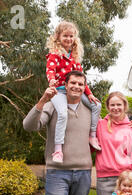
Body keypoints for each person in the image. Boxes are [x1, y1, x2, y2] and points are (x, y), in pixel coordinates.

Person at [45, 21, 102, 163]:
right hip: (60, 91)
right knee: (63, 114)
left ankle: (92, 136)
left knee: (97, 105)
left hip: (76, 91)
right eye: (65, 36)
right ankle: (58, 150)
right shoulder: (54, 55)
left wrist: (88, 93)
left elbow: (81, 78)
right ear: (58, 37)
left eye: (71, 36)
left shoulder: (74, 58)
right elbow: (50, 70)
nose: (69, 39)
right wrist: (51, 80)